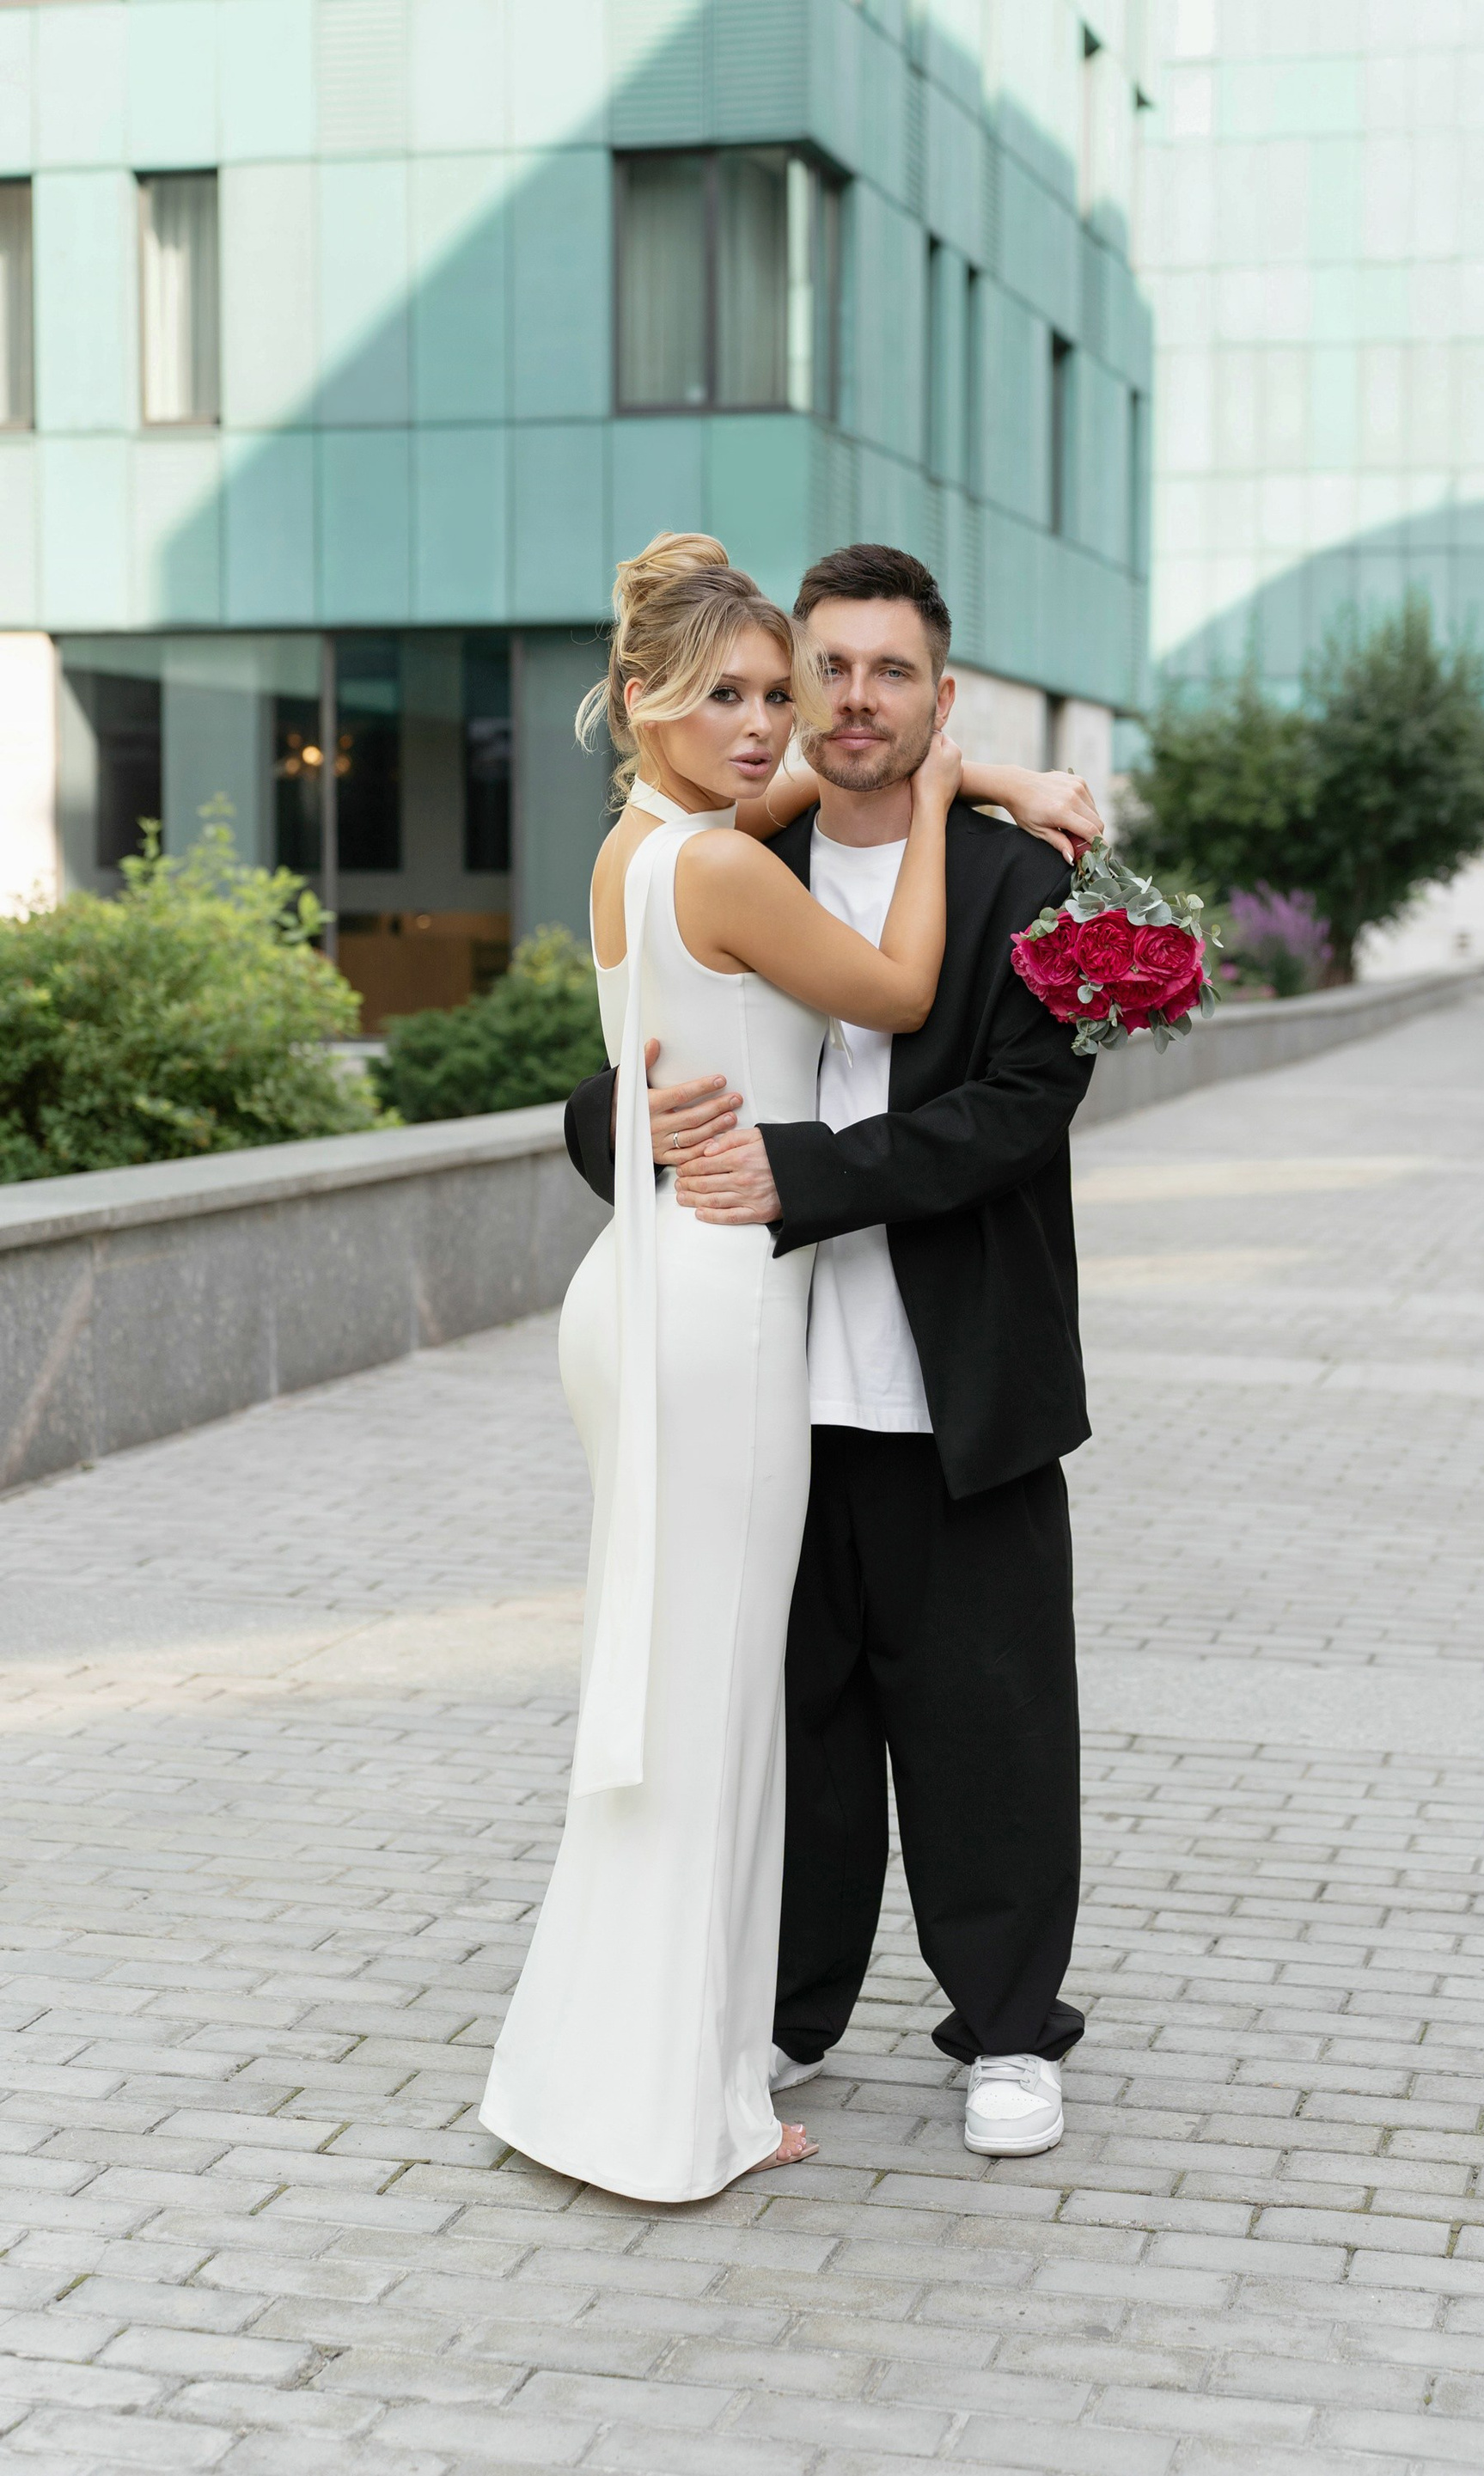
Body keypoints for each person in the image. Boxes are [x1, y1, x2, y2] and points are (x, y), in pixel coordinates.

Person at [563, 544, 1096, 2161]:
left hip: (960, 1381)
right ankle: (783, 2016)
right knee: (790, 1726)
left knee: (993, 1726)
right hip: (769, 1383)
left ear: (942, 695)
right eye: (829, 672)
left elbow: (1016, 1115)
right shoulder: (744, 840)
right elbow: (632, 1060)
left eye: (892, 672)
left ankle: (1008, 2029)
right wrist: (620, 1125)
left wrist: (803, 1172)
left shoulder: (1024, 887)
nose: (854, 700)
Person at [479, 533, 962, 2204]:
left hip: (638, 1289)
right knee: (705, 1708)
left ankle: (602, 2069)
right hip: (719, 1307)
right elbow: (900, 986)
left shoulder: (636, 849)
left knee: (656, 1690)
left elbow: (768, 818)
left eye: (778, 692)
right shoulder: (726, 871)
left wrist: (981, 771)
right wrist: (948, 788)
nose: (767, 726)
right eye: (727, 697)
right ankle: (672, 2106)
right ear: (642, 700)